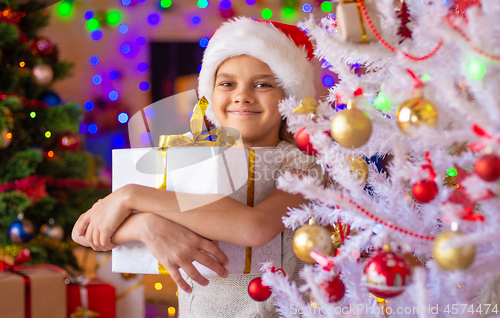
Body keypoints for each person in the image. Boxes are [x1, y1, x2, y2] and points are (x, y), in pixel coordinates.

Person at [72, 17, 323, 317]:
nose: (242, 95)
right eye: (227, 83)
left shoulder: (302, 162)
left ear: (288, 97)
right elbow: (84, 232)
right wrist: (146, 225)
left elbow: (255, 228)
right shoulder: (190, 156)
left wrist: (132, 198)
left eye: (263, 84)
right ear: (210, 94)